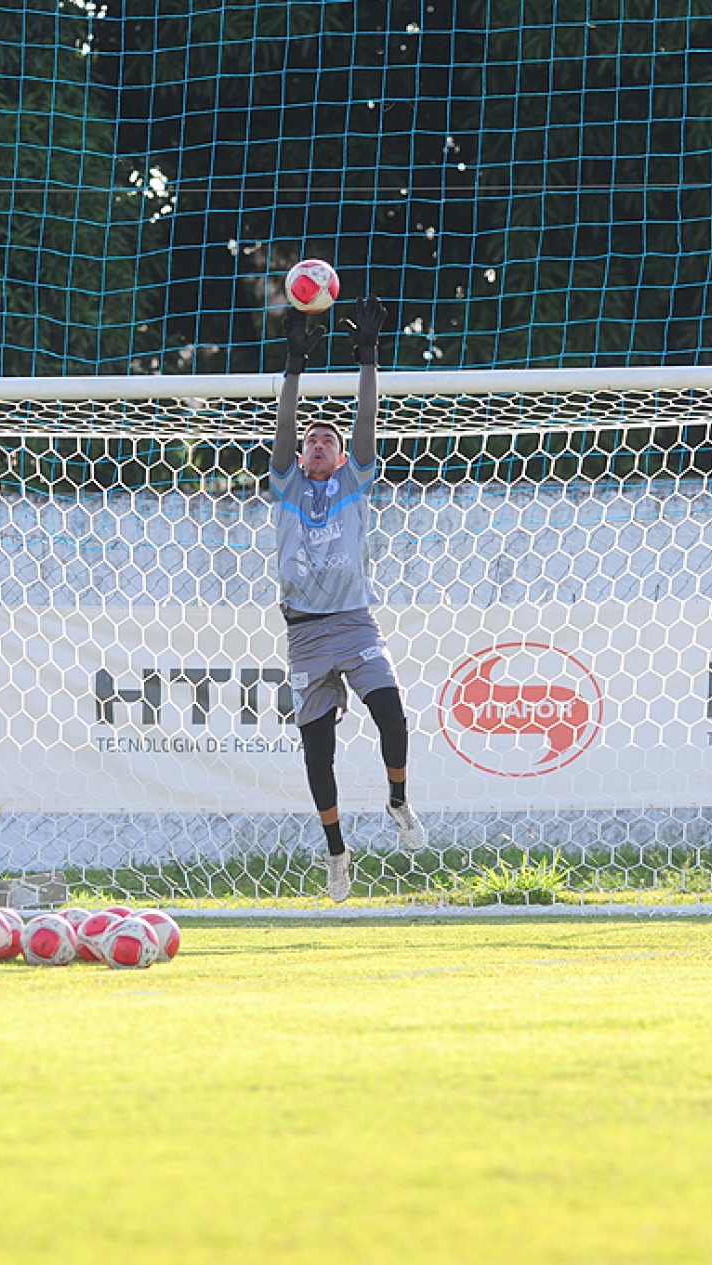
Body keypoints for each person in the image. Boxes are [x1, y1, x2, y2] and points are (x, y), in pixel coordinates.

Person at [270, 295, 426, 903]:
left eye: (326, 442)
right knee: (319, 754)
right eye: (312, 440)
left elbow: (367, 417)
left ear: (340, 458)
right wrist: (294, 363)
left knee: (392, 714)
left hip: (356, 626)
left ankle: (398, 800)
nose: (316, 445)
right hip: (306, 633)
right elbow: (284, 423)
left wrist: (367, 355)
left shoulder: (353, 482)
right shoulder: (285, 483)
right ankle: (337, 853)